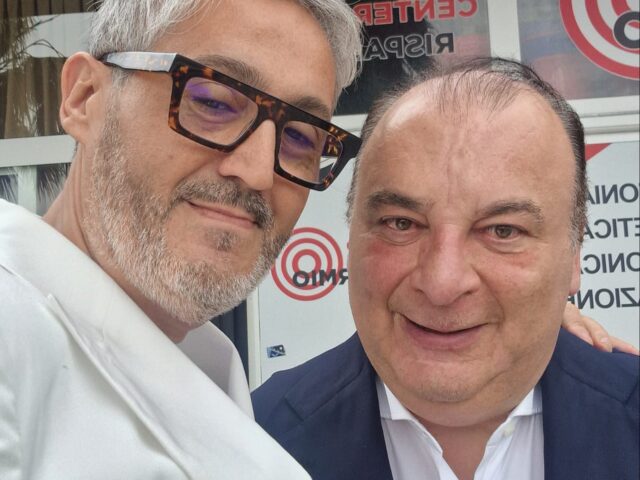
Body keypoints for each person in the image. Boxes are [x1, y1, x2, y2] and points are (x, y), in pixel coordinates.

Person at [0, 0, 362, 478]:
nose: (257, 172)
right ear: (85, 98)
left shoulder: (210, 368)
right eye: (213, 101)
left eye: (300, 137)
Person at [252, 57, 640, 480]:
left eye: (503, 231)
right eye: (401, 224)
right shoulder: (252, 439)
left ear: (574, 253)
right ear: (351, 237)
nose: (442, 283)